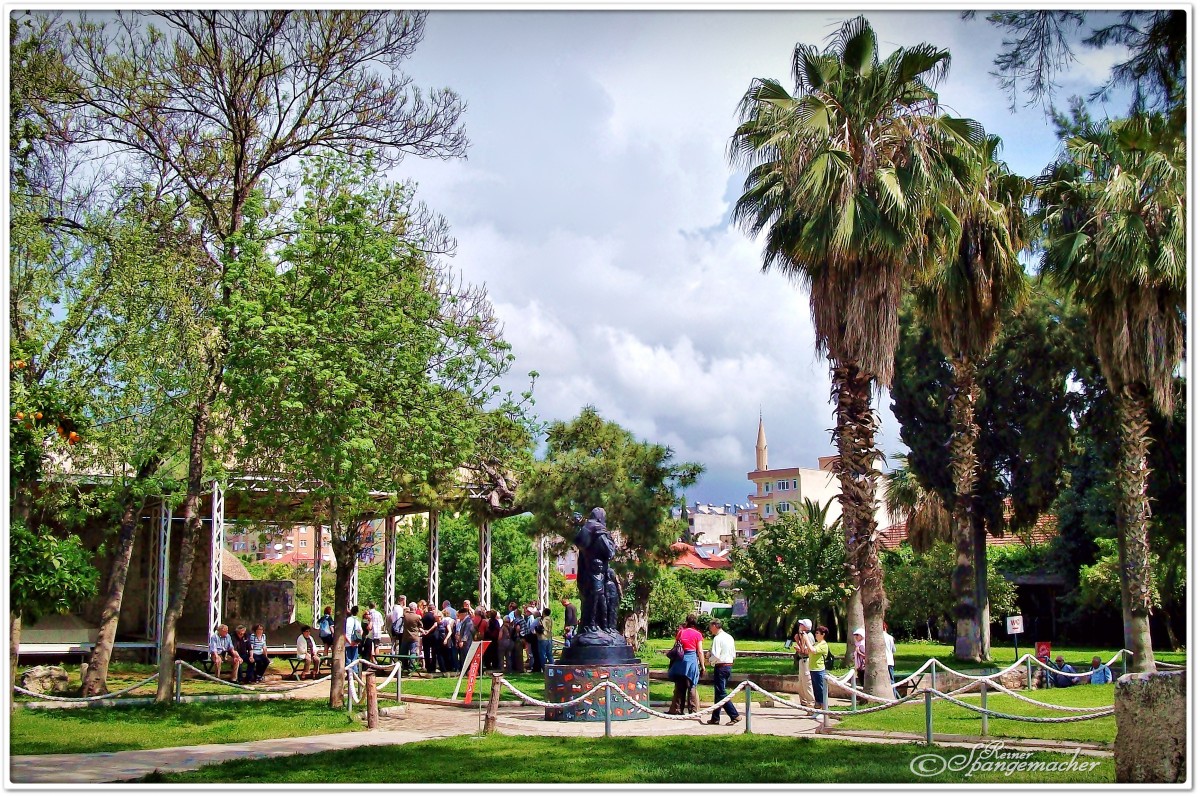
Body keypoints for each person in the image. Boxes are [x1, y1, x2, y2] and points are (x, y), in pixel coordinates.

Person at [666, 614, 706, 719]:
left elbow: (676, 647)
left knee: (679, 685)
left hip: (680, 660)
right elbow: (700, 651)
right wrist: (703, 665)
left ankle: (677, 709)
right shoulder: (698, 634)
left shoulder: (681, 632)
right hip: (692, 660)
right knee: (692, 685)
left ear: (687, 621)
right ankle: (693, 711)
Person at [706, 619, 740, 726]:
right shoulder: (729, 637)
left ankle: (734, 715)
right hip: (728, 666)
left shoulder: (717, 638)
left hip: (721, 666)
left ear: (715, 626)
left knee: (721, 693)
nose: (710, 629)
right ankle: (715, 718)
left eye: (710, 627)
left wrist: (709, 661)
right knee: (718, 692)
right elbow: (733, 654)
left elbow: (716, 655)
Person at [809, 625, 831, 720]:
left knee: (820, 690)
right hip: (812, 669)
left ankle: (823, 710)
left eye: (817, 633)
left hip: (819, 670)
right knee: (816, 690)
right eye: (816, 633)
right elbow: (808, 650)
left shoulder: (823, 644)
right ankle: (817, 709)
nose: (816, 635)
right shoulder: (816, 643)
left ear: (823, 634)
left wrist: (806, 638)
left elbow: (813, 651)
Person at [793, 619, 816, 707]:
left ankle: (810, 702)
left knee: (807, 682)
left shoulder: (808, 636)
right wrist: (798, 641)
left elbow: (807, 651)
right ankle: (804, 701)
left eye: (801, 624)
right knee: (801, 682)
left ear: (805, 627)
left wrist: (798, 647)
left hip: (806, 660)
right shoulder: (802, 635)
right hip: (802, 660)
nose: (799, 625)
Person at [401, 602, 422, 673]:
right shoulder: (417, 617)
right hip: (414, 637)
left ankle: (404, 666)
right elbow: (420, 625)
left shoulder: (405, 616)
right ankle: (411, 666)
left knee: (404, 652)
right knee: (413, 652)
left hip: (405, 637)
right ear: (415, 608)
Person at [455, 606, 475, 670]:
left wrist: (462, 641)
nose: (459, 617)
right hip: (465, 642)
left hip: (467, 643)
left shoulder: (468, 621)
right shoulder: (464, 621)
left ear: (463, 614)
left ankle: (468, 670)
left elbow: (466, 632)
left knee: (467, 656)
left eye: (460, 615)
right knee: (463, 656)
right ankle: (465, 670)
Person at [421, 602, 439, 673]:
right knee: (434, 652)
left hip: (425, 636)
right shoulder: (435, 616)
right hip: (433, 635)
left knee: (426, 652)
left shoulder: (424, 616)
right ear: (433, 609)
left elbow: (421, 625)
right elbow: (435, 625)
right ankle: (433, 667)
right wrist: (429, 631)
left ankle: (428, 667)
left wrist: (425, 631)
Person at [883, 621, 898, 698]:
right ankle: (894, 696)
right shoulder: (890, 637)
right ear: (885, 628)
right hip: (889, 661)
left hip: (882, 662)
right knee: (891, 680)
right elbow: (894, 650)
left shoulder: (876, 637)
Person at [523, 606, 541, 672]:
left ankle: (533, 665)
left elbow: (532, 628)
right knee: (533, 652)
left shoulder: (533, 619)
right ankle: (533, 665)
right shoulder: (538, 619)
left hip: (533, 637)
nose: (525, 612)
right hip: (535, 637)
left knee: (533, 652)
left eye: (527, 611)